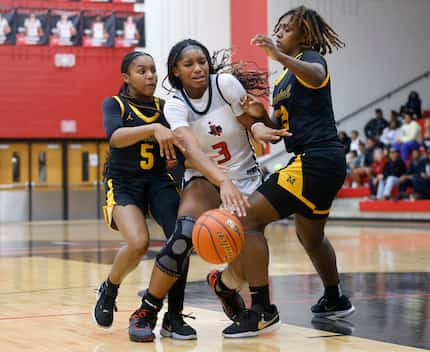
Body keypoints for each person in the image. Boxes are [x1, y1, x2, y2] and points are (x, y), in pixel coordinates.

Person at [122, 38, 289, 342]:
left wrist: (259, 125)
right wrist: (222, 181)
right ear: (176, 70)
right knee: (183, 235)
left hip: (245, 177)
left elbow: (248, 121)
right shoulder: (175, 103)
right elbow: (191, 150)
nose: (198, 68)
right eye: (189, 64)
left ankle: (231, 290)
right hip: (204, 177)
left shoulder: (225, 84)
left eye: (202, 61)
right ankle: (147, 310)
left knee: (246, 250)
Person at [207, 5, 355, 337]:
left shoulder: (312, 60)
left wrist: (277, 54)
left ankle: (261, 310)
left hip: (316, 158)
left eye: (286, 29)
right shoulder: (285, 79)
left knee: (248, 221)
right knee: (310, 237)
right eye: (278, 28)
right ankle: (335, 299)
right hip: (316, 160)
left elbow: (315, 76)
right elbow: (277, 128)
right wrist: (256, 116)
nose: (279, 32)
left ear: (304, 35)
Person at [93, 51, 197, 342]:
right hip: (124, 183)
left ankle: (173, 317)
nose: (150, 75)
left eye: (153, 70)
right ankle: (110, 288)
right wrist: (153, 128)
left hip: (159, 181)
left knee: (181, 238)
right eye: (142, 71)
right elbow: (114, 136)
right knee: (138, 243)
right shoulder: (114, 104)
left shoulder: (166, 107)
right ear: (126, 77)